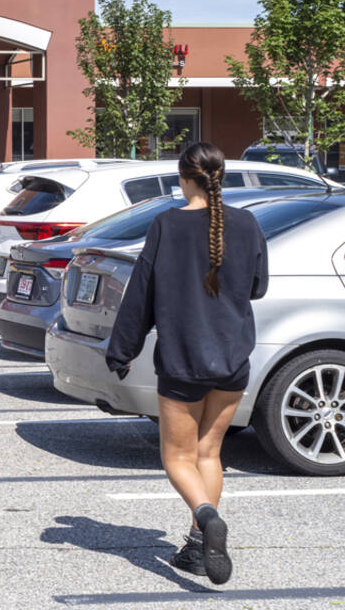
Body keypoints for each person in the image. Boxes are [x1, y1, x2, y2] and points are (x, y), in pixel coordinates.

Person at [105, 141, 268, 586]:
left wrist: (121, 350)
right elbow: (258, 287)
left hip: (182, 359)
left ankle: (206, 517)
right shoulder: (248, 222)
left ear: (183, 178)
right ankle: (198, 548)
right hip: (233, 357)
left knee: (178, 456)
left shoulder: (166, 225)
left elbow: (141, 292)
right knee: (209, 453)